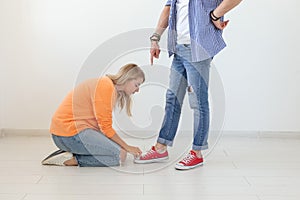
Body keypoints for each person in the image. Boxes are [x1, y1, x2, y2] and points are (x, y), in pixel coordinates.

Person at [134, 0, 242, 170]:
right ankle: (161, 148)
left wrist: (215, 14)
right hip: (178, 47)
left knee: (198, 101)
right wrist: (155, 37)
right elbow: (168, 9)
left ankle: (197, 153)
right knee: (172, 98)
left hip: (198, 48)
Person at [42, 63, 144, 167]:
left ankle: (68, 154)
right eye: (137, 85)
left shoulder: (108, 86)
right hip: (68, 134)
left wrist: (120, 147)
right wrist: (127, 147)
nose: (137, 90)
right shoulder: (106, 86)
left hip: (70, 133)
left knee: (120, 152)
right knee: (118, 156)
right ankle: (70, 160)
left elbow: (102, 128)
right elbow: (106, 128)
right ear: (127, 79)